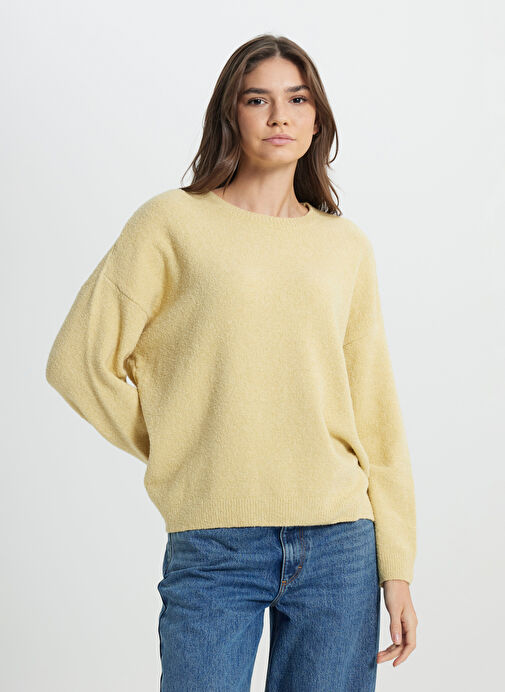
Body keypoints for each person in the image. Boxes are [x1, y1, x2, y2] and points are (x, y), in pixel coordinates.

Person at [45, 33, 418, 691]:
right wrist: (182, 445)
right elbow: (79, 362)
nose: (279, 117)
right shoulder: (170, 223)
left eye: (297, 100)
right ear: (231, 114)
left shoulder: (345, 246)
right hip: (215, 540)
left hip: (340, 542)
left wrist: (398, 570)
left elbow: (375, 412)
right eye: (257, 100)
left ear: (317, 119)